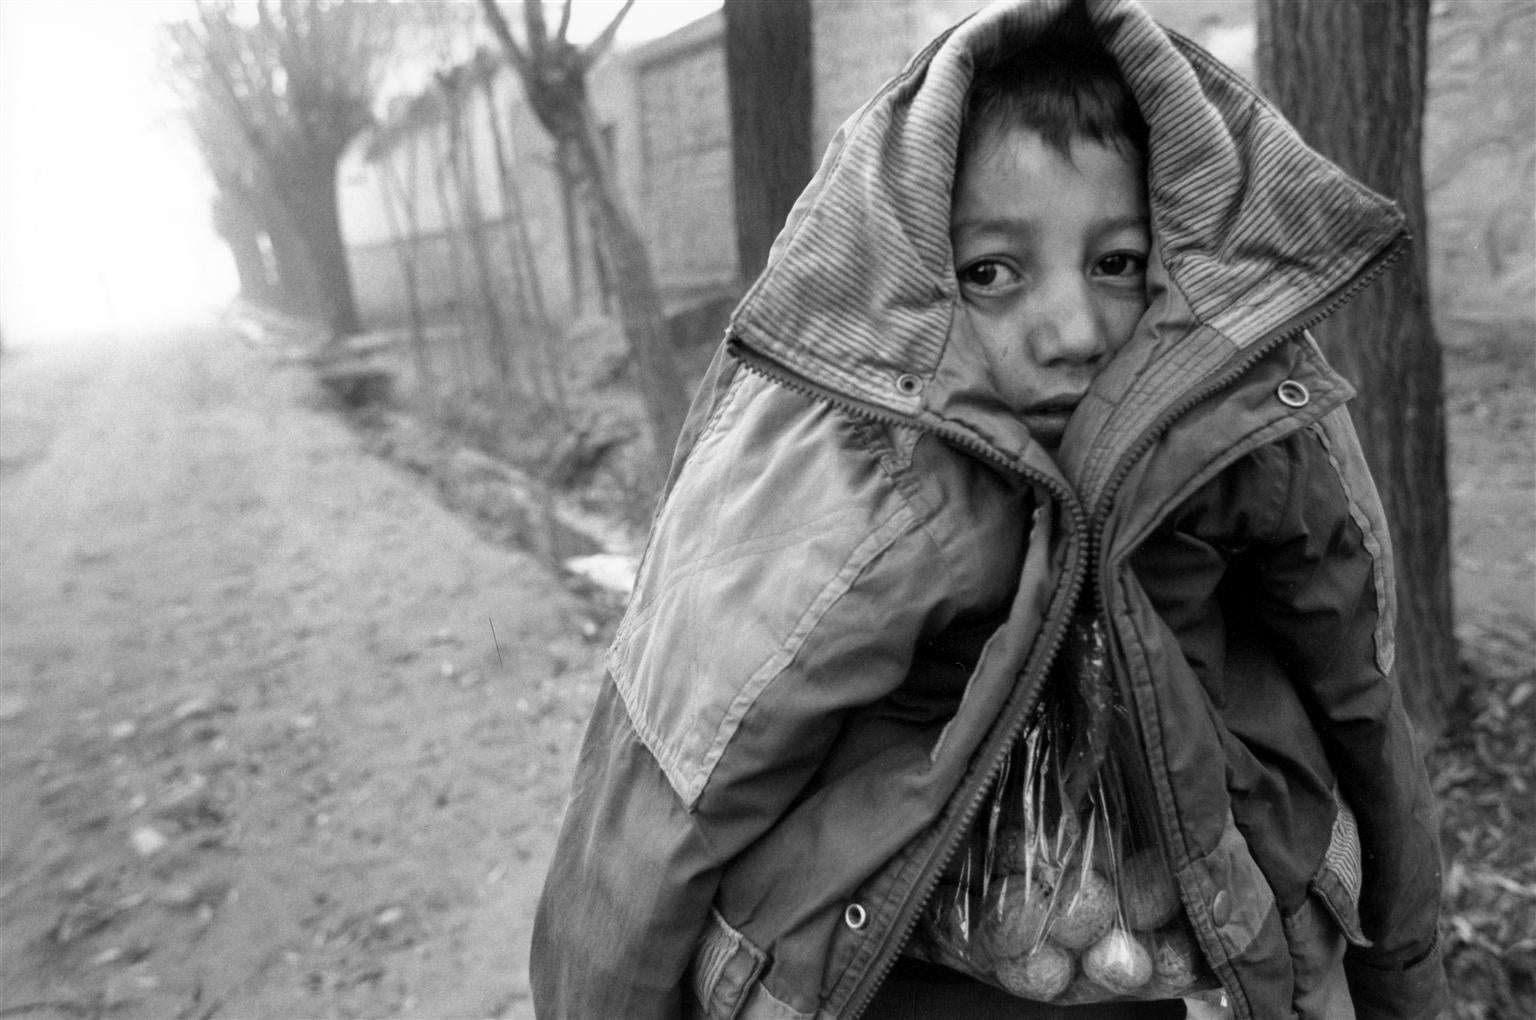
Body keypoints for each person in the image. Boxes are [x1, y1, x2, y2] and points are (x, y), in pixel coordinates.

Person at [528, 1, 1448, 1018]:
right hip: (892, 979)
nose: (1072, 330)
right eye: (990, 274)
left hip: (1197, 961)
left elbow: (1361, 696)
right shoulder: (850, 463)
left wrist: (1398, 986)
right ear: (923, 283)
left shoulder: (1246, 412)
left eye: (1117, 263)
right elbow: (676, 773)